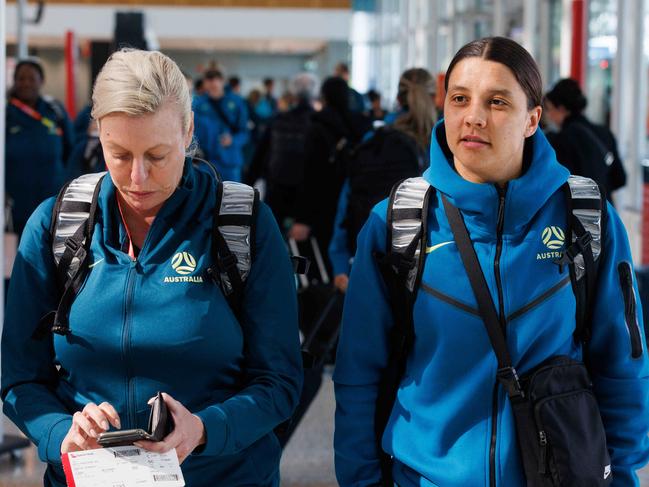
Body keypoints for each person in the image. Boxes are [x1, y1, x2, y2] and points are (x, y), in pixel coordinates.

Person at [334, 37, 649, 486]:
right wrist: (361, 479)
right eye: (460, 99)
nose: (473, 117)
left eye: (497, 101)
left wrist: (618, 473)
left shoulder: (585, 217)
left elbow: (623, 361)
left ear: (531, 119)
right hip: (425, 476)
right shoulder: (398, 224)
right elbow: (358, 372)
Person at [1, 49, 302, 487]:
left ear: (188, 130)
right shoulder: (58, 225)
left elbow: (280, 381)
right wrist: (60, 432)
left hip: (225, 476)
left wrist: (203, 429)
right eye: (119, 154)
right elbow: (19, 378)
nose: (138, 178)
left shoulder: (242, 225)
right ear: (97, 132)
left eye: (158, 155)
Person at [329, 67, 436, 294]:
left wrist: (339, 261)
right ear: (436, 97)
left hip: (370, 253)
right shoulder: (440, 142)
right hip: (424, 264)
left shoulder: (374, 138)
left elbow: (348, 199)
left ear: (398, 98)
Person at [289, 76, 371, 272]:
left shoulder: (317, 126)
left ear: (324, 97)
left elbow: (309, 173)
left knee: (325, 263)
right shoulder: (362, 126)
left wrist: (302, 217)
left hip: (323, 204)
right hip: (357, 203)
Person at [5, 58, 75, 235]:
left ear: (41, 81)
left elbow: (71, 148)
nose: (26, 83)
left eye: (31, 78)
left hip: (52, 197)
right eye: (21, 78)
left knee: (54, 249)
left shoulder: (54, 111)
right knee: (26, 247)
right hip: (18, 199)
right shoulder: (6, 114)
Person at [247, 73, 318, 231]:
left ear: (293, 93)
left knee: (274, 237)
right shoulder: (320, 124)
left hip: (276, 190)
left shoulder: (277, 121)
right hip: (306, 196)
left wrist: (247, 189)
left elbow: (258, 159)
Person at [544, 78, 626, 202]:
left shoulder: (562, 139)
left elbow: (558, 184)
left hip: (578, 214)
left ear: (561, 108)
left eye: (549, 109)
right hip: (606, 211)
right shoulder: (605, 133)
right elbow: (620, 178)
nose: (549, 115)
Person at [192, 69, 250, 181]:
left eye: (216, 79)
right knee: (207, 196)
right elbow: (192, 130)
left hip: (229, 160)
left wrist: (232, 140)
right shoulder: (198, 103)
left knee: (232, 196)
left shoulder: (236, 102)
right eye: (209, 79)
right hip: (206, 161)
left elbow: (245, 132)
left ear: (223, 81)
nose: (213, 83)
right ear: (204, 82)